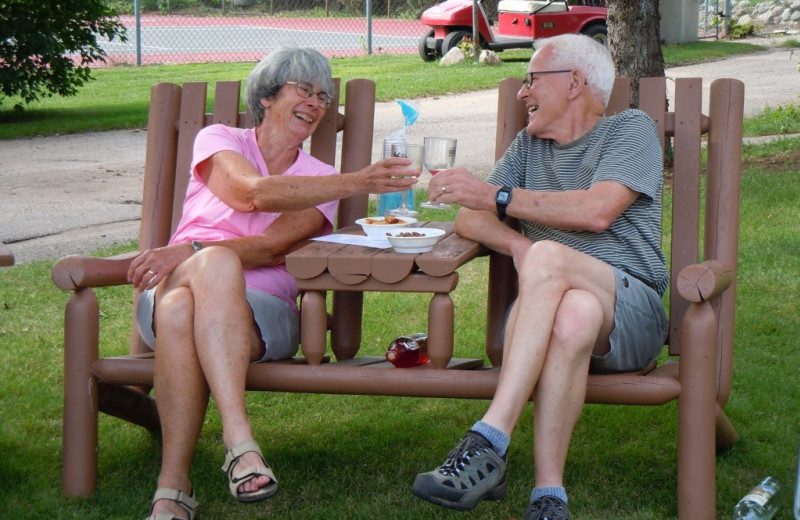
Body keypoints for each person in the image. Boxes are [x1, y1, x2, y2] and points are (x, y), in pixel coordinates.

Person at [128, 46, 417, 520]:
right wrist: (359, 181)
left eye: (324, 95)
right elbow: (249, 194)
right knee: (211, 270)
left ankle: (172, 489)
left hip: (260, 313)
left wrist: (192, 248)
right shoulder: (219, 139)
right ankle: (239, 442)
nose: (316, 103)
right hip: (174, 279)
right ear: (266, 96)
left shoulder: (322, 179)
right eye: (304, 89)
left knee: (186, 304)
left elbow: (269, 248)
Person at [410, 34, 669, 520]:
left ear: (574, 82)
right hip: (553, 318)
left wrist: (504, 203)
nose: (522, 93)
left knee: (551, 259)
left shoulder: (630, 130)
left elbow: (598, 211)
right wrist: (516, 244)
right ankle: (549, 496)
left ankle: (489, 438)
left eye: (532, 80)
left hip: (630, 316)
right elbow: (470, 217)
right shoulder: (529, 148)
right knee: (573, 313)